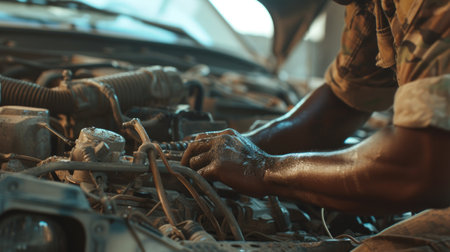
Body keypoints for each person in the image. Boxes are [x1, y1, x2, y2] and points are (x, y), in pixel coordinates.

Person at [181, 0, 449, 250]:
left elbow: (419, 167)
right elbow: (342, 104)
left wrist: (261, 168)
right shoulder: (370, 6)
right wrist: (240, 148)